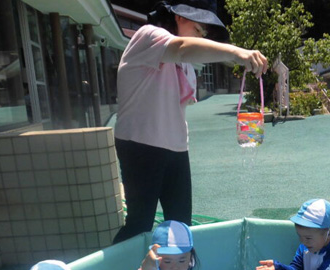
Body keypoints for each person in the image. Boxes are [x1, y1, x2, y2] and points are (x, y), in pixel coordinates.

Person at [113, 0, 269, 244]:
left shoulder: (184, 65)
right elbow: (183, 47)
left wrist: (241, 61)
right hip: (140, 144)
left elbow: (187, 54)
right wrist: (237, 52)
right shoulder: (148, 36)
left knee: (180, 225)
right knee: (139, 224)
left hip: (176, 148)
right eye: (199, 29)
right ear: (179, 17)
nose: (203, 35)